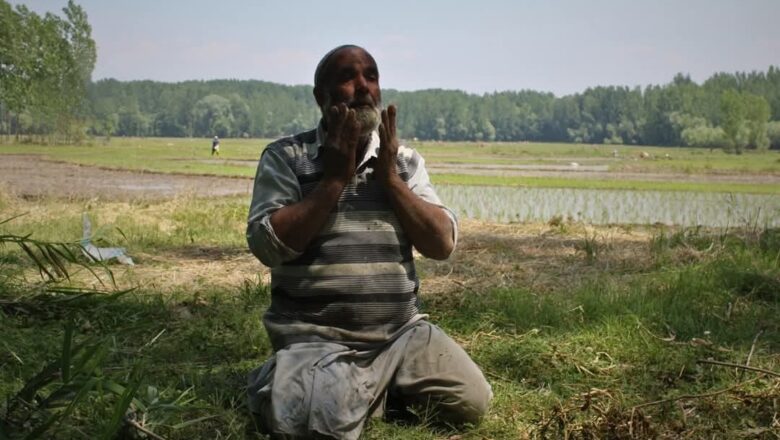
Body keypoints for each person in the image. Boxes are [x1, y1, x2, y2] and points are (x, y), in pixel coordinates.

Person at [246, 44, 492, 439]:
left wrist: (391, 181)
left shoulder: (405, 161)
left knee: (470, 401)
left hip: (400, 335)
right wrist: (333, 182)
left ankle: (363, 392)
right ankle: (292, 379)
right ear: (320, 97)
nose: (363, 87)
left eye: (371, 76)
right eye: (347, 77)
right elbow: (267, 244)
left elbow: (441, 243)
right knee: (312, 424)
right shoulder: (288, 156)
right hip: (316, 339)